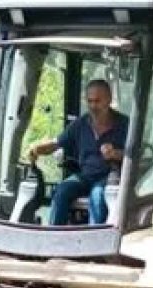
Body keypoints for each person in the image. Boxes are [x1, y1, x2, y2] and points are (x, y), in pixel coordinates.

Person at [25, 79, 129, 226]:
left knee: (98, 196)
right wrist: (37, 149)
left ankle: (94, 242)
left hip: (112, 178)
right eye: (90, 101)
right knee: (62, 190)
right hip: (85, 176)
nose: (93, 106)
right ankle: (53, 238)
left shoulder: (125, 124)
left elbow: (138, 155)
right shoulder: (80, 124)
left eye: (97, 101)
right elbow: (56, 143)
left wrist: (115, 153)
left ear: (109, 100)